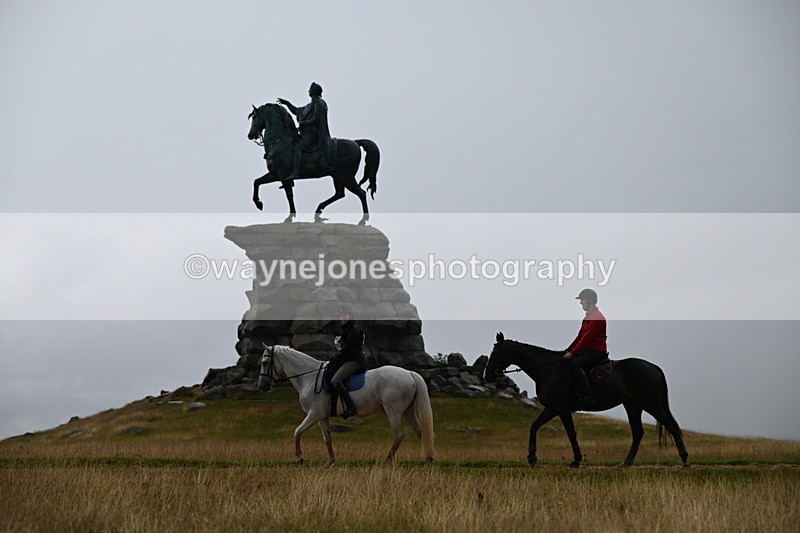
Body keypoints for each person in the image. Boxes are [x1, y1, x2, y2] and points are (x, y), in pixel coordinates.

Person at [276, 82, 336, 187]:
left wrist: (303, 123)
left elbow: (316, 119)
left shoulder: (319, 103)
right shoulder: (310, 105)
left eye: (310, 90)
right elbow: (297, 111)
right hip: (306, 134)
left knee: (298, 147)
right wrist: (287, 103)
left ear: (314, 92)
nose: (308, 91)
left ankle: (295, 172)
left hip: (313, 135)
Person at [563, 288, 609, 410]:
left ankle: (588, 395)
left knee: (575, 364)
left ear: (590, 300)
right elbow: (579, 337)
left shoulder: (597, 318)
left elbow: (586, 340)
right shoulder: (588, 317)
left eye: (582, 299)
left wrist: (572, 353)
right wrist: (568, 350)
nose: (581, 302)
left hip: (597, 351)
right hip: (588, 350)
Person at [328, 304, 367, 419]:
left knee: (335, 380)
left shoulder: (354, 329)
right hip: (349, 358)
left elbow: (349, 349)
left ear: (350, 315)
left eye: (345, 315)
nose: (343, 317)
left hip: (355, 361)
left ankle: (351, 408)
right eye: (341, 315)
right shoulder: (347, 328)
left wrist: (336, 359)